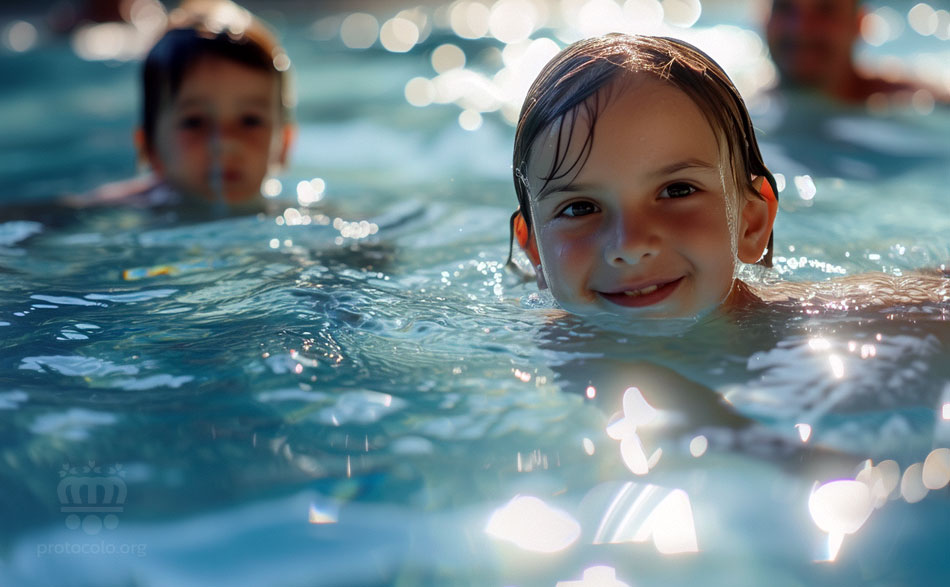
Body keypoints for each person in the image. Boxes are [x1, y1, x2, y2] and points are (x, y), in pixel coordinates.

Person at [507, 33, 947, 329]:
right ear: (534, 251)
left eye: (676, 190)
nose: (629, 244)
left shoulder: (823, 327)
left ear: (752, 223)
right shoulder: (518, 362)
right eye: (580, 208)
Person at [66, 0, 295, 209]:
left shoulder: (299, 214)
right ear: (149, 149)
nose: (224, 142)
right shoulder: (112, 209)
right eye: (194, 122)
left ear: (284, 144)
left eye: (250, 120)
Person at [764, 0, 944, 104]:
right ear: (764, 19)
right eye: (784, 7)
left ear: (859, 23)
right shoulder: (749, 104)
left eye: (825, 10)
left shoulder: (915, 102)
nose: (801, 28)